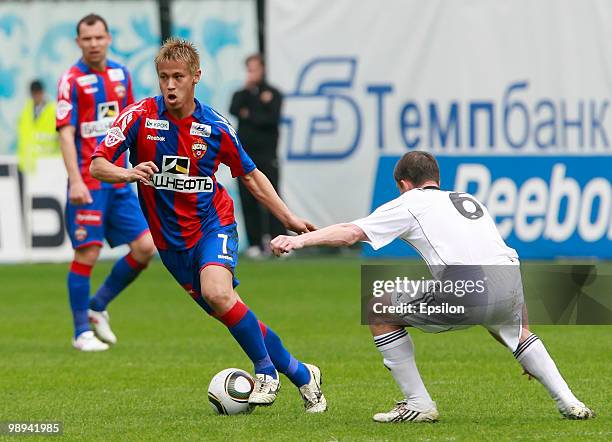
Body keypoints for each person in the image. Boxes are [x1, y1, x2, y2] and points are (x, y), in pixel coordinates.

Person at [90, 38, 327, 412]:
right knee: (230, 309)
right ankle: (303, 375)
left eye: (178, 77)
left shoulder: (214, 126)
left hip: (213, 224)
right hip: (171, 244)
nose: (170, 85)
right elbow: (97, 164)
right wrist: (128, 172)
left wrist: (289, 217)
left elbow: (249, 175)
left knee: (218, 293)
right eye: (164, 77)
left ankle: (266, 371)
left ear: (196, 77)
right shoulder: (138, 117)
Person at [271, 151, 595, 422]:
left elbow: (351, 233)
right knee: (510, 329)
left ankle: (418, 404)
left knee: (378, 308)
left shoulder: (409, 202)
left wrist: (298, 241)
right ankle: (569, 401)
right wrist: (520, 320)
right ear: (436, 178)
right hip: (508, 280)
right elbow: (499, 254)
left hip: (467, 288)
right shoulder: (468, 199)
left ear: (403, 184)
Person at [56, 14, 156, 352]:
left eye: (99, 37)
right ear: (78, 42)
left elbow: (127, 124)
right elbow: (67, 134)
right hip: (88, 179)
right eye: (87, 39)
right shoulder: (70, 80)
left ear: (109, 38)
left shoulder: (121, 74)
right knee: (88, 252)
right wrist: (75, 181)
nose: (94, 44)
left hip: (117, 179)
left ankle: (98, 305)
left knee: (145, 247)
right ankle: (80, 331)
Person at [230, 54, 284, 258]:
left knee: (272, 197)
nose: (251, 73)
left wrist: (250, 114)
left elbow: (270, 119)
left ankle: (278, 239)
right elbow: (234, 109)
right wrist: (254, 103)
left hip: (267, 154)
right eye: (249, 69)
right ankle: (254, 243)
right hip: (245, 155)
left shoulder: (274, 93)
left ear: (262, 69)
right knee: (248, 198)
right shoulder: (241, 94)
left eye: (255, 69)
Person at [17, 80, 60, 174]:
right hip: (28, 163)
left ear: (42, 92)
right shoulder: (26, 111)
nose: (36, 96)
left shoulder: (53, 110)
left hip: (49, 163)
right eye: (34, 93)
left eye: (38, 92)